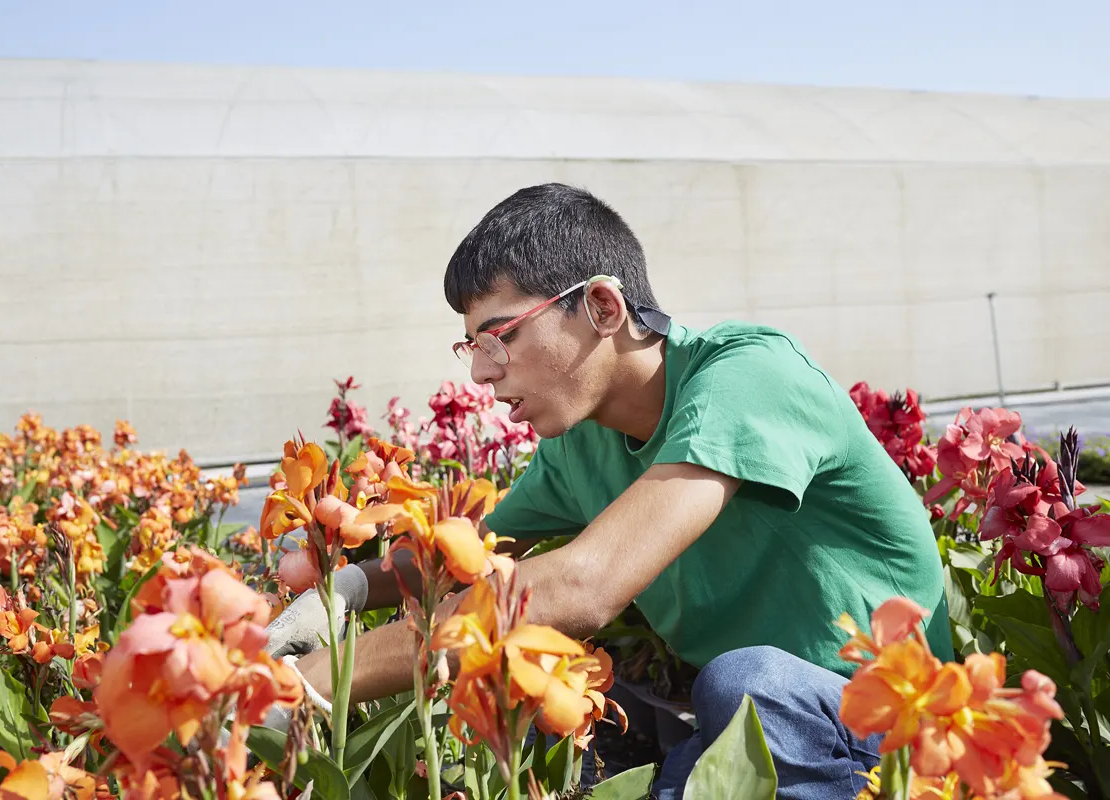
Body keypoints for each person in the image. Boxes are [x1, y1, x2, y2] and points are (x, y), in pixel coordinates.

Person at [266, 183, 952, 799]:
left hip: (897, 731)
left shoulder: (749, 375)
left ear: (601, 304)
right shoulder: (579, 444)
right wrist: (340, 590)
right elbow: (466, 553)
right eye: (469, 346)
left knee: (749, 684)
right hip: (759, 727)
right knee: (555, 708)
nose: (480, 371)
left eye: (498, 335)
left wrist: (312, 682)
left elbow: (582, 589)